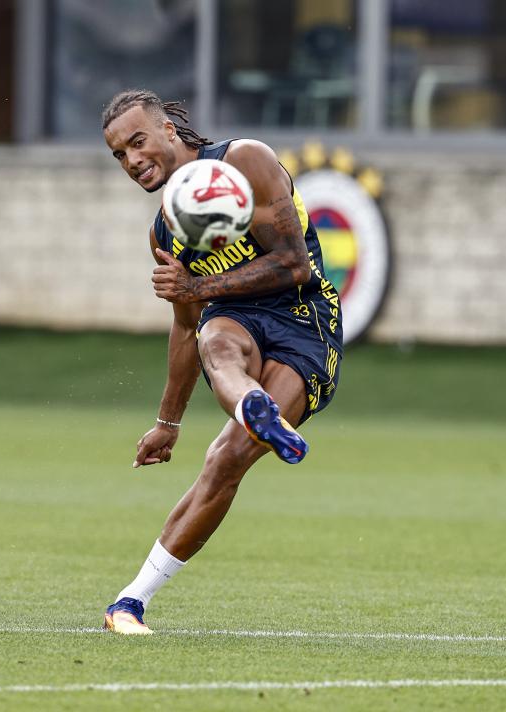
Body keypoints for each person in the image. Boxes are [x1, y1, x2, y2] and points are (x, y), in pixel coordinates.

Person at [101, 89, 343, 634]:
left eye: (137, 142)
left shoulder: (244, 160)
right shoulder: (165, 230)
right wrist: (167, 423)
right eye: (119, 154)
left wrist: (196, 287)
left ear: (169, 130)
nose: (132, 160)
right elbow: (186, 326)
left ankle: (252, 413)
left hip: (305, 321)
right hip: (234, 320)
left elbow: (294, 264)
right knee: (216, 339)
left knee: (227, 458)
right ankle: (129, 604)